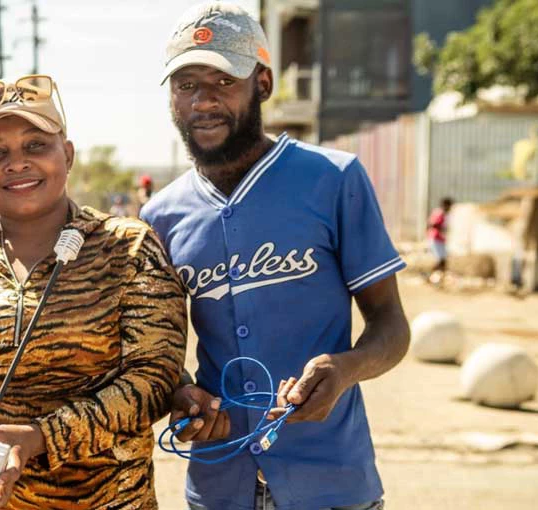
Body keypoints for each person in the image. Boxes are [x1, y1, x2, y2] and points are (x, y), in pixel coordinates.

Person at [140, 4, 411, 510]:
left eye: (223, 80)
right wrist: (181, 392)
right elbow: (153, 349)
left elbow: (391, 324)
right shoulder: (160, 216)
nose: (202, 101)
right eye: (186, 84)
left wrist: (346, 368)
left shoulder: (334, 179)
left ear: (262, 83)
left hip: (332, 480)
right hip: (219, 485)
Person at [0, 74, 188, 509]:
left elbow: (154, 379)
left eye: (35, 145)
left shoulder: (129, 248)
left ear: (66, 154)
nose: (16, 163)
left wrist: (39, 438)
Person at [427, 197, 453, 284]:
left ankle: (439, 278)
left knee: (443, 260)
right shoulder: (439, 213)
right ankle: (430, 276)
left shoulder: (445, 214)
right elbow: (432, 224)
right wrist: (441, 228)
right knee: (440, 260)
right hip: (435, 239)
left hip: (440, 240)